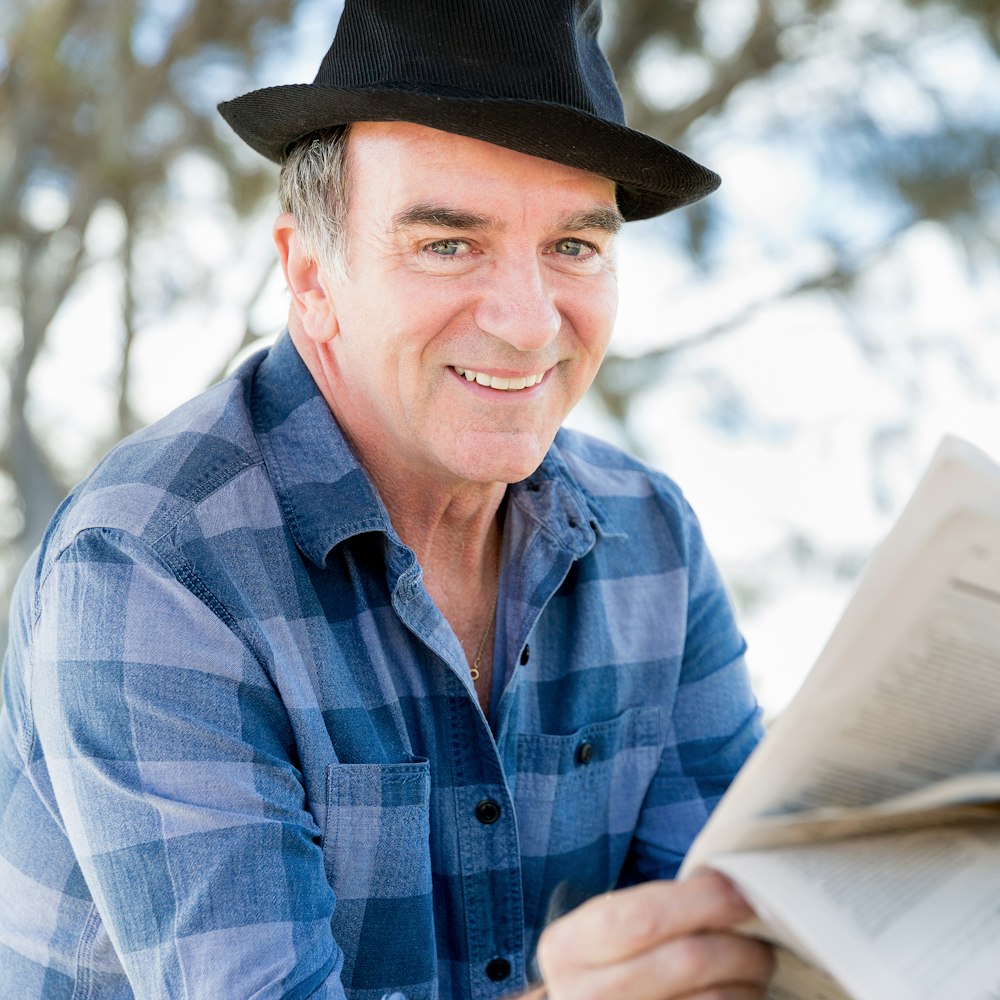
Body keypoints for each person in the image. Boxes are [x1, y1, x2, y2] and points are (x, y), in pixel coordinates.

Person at [0, 1, 773, 997]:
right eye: (448, 244)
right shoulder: (150, 563)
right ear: (310, 275)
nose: (528, 321)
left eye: (573, 247)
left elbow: (741, 936)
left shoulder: (651, 538)